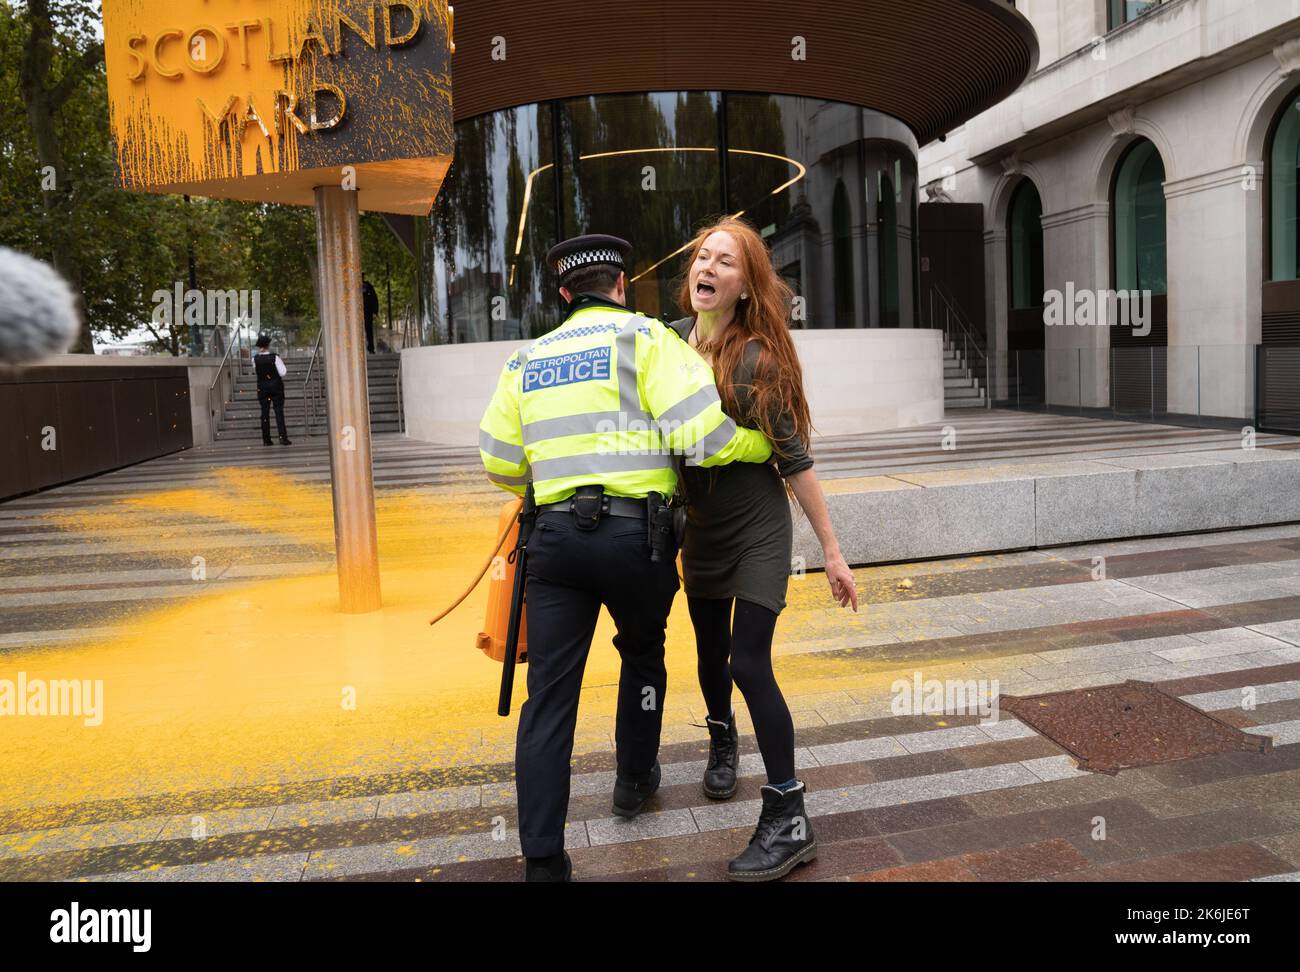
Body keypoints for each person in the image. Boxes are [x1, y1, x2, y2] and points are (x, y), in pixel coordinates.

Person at [479, 234, 774, 882]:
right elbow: (701, 436)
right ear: (621, 285)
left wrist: (554, 478)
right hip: (637, 539)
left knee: (549, 696)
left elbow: (499, 460)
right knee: (642, 653)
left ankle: (544, 862)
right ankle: (632, 781)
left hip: (555, 545)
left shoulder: (527, 359)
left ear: (564, 294)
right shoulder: (646, 341)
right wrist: (760, 446)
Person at [668, 216, 858, 882]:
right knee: (708, 653)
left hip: (756, 528)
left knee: (749, 661)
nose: (710, 267)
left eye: (727, 261)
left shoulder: (757, 359)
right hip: (701, 529)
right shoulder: (668, 349)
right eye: (703, 256)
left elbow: (795, 460)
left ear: (746, 286)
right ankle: (723, 739)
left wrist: (832, 550)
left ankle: (787, 813)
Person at [252, 333, 291, 446]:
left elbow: (257, 370)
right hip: (276, 387)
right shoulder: (275, 357)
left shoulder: (255, 359)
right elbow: (283, 372)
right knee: (278, 412)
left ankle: (266, 439)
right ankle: (282, 437)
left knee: (264, 413)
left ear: (259, 346)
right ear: (268, 345)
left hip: (262, 388)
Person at [362, 276, 379, 354]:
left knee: (369, 331)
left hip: (367, 312)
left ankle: (371, 348)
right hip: (357, 314)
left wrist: (375, 312)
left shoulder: (368, 286)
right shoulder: (352, 286)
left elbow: (374, 299)